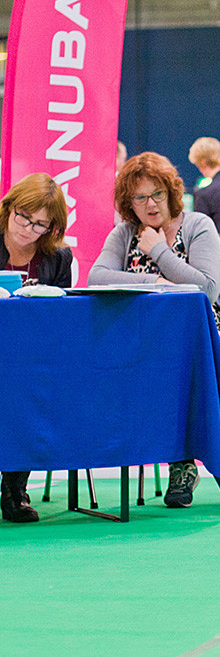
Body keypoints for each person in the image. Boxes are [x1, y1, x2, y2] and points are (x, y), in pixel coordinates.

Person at [89, 152, 220, 508]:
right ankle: (183, 467)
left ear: (171, 193)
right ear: (129, 203)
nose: (151, 204)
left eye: (157, 194)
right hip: (159, 348)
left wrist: (158, 251)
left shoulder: (198, 225)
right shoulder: (124, 234)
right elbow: (97, 277)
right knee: (163, 389)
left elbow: (205, 288)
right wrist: (158, 280)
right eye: (140, 197)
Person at [0, 173, 73, 523]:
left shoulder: (58, 258)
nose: (28, 229)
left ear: (53, 228)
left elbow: (61, 315)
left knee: (32, 390)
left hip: (31, 357)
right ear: (9, 208)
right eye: (23, 217)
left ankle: (14, 490)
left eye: (40, 224)